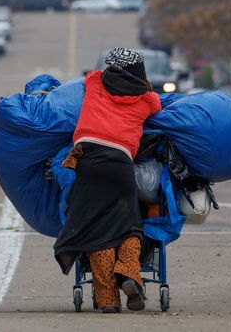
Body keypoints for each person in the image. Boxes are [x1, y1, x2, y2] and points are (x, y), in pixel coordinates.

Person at [54, 48, 162, 313]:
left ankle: (107, 299)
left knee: (97, 228)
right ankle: (128, 273)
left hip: (87, 158)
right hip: (120, 163)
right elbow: (158, 106)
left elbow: (90, 78)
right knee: (129, 223)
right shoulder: (147, 100)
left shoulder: (94, 82)